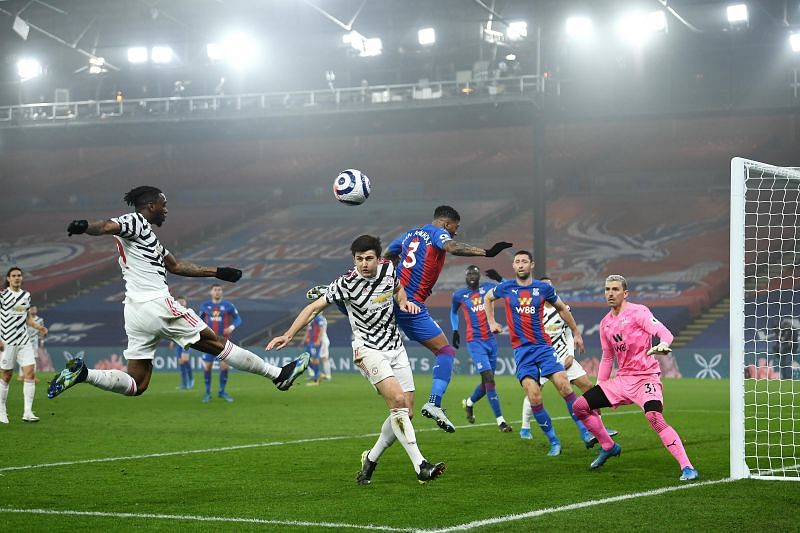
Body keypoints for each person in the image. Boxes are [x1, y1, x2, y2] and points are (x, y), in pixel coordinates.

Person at [48, 186, 309, 403]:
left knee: (137, 384)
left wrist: (218, 272)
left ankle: (84, 374)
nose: (167, 209)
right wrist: (85, 227)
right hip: (156, 304)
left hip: (135, 312)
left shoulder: (149, 238)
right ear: (150, 206)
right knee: (217, 344)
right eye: (163, 204)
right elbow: (106, 226)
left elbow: (175, 266)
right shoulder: (135, 222)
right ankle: (278, 374)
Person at [267, 235, 445, 485]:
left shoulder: (388, 270)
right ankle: (420, 466)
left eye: (369, 258)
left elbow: (398, 289)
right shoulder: (345, 284)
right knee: (397, 401)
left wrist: (404, 303)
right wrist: (288, 335)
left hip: (395, 347)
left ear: (378, 258)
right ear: (354, 260)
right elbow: (313, 308)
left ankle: (370, 459)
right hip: (367, 350)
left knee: (408, 412)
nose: (364, 264)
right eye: (359, 259)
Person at [384, 205, 511, 433]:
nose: (456, 231)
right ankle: (434, 402)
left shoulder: (409, 234)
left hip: (391, 298)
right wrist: (486, 252)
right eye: (455, 227)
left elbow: (386, 255)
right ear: (445, 224)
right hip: (411, 304)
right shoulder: (436, 233)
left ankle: (338, 297)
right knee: (445, 352)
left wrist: (393, 275)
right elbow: (451, 246)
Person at [571, 275, 699, 481]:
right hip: (622, 381)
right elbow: (607, 357)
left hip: (646, 378)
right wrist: (600, 385)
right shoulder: (605, 324)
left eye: (615, 289)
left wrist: (664, 344)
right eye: (607, 289)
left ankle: (687, 467)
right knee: (580, 406)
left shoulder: (639, 312)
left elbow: (664, 332)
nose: (610, 293)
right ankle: (608, 446)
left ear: (625, 293)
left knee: (654, 417)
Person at [483, 251, 585, 456]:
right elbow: (488, 297)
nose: (521, 264)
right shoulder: (506, 287)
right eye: (517, 261)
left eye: (524, 261)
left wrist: (575, 332)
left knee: (565, 386)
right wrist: (491, 322)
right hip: (522, 352)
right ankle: (554, 441)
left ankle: (586, 432)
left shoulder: (543, 288)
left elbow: (563, 309)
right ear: (513, 266)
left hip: (544, 348)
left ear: (531, 265)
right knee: (534, 396)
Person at [518, 276, 618, 446]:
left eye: (550, 286)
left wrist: (570, 354)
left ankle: (599, 427)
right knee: (535, 392)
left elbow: (568, 332)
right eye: (544, 286)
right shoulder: (535, 312)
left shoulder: (562, 308)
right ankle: (525, 427)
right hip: (545, 359)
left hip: (565, 358)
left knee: (588, 387)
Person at [450, 265, 511, 432]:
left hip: (491, 340)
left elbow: (510, 290)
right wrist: (455, 330)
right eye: (469, 273)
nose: (471, 276)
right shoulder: (459, 295)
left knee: (486, 383)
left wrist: (499, 278)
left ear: (478, 276)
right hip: (474, 341)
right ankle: (501, 421)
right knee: (489, 379)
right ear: (465, 276)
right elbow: (453, 312)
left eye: (474, 273)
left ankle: (469, 403)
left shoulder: (488, 289)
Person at [0, 267, 48, 423]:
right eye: (13, 276)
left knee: (30, 373)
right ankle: (2, 411)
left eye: (19, 275)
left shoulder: (26, 296)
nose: (17, 278)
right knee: (6, 376)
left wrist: (38, 327)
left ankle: (27, 412)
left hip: (23, 340)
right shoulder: (3, 296)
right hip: (7, 340)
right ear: (8, 279)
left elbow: (27, 318)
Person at [198, 285, 242, 402]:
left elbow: (238, 319)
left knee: (224, 367)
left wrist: (231, 327)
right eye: (215, 290)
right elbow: (198, 320)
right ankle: (207, 392)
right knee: (207, 367)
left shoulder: (228, 306)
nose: (217, 292)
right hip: (208, 341)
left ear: (222, 292)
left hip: (224, 342)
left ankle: (222, 391)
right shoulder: (205, 306)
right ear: (211, 292)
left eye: (219, 290)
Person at [170, 296, 194, 390]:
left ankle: (191, 379)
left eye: (182, 302)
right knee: (181, 362)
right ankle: (184, 384)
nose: (180, 303)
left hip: (187, 340)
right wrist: (172, 341)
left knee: (185, 360)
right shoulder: (175, 315)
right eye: (178, 302)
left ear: (185, 303)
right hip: (179, 341)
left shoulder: (189, 313)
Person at [17, 304, 46, 383]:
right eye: (32, 309)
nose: (34, 310)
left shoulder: (40, 320)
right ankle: (21, 375)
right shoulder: (25, 319)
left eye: (35, 309)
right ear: (29, 310)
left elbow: (41, 331)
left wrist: (42, 341)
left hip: (34, 341)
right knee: (23, 357)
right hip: (24, 340)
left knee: (34, 358)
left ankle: (33, 375)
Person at [303, 312, 331, 385]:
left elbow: (321, 329)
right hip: (313, 341)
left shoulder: (320, 318)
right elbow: (309, 330)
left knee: (322, 358)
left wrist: (318, 340)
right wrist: (305, 339)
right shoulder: (312, 318)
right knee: (308, 359)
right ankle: (318, 374)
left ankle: (324, 376)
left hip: (320, 340)